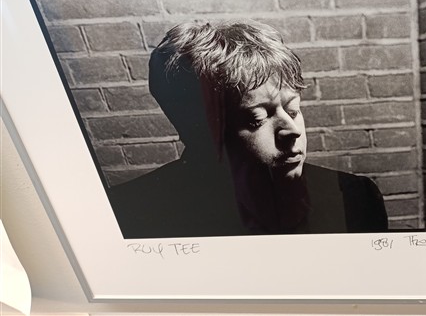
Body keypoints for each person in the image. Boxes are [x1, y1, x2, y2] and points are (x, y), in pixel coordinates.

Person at [108, 20, 388, 238]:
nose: (292, 130)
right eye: (256, 119)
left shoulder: (354, 197)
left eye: (293, 109)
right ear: (200, 132)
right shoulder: (126, 212)